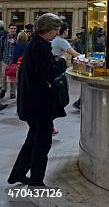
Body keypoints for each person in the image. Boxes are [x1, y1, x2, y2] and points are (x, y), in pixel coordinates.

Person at [9, 13, 66, 186]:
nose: (57, 33)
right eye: (55, 29)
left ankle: (17, 174)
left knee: (32, 141)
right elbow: (46, 73)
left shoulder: (34, 44)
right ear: (47, 29)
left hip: (31, 102)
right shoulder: (41, 47)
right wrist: (61, 63)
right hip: (39, 104)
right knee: (42, 143)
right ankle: (36, 181)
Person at [51, 24, 80, 119]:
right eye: (67, 30)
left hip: (53, 69)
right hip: (59, 70)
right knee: (62, 95)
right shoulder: (62, 41)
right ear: (63, 31)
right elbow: (75, 54)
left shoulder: (55, 40)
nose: (68, 31)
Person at [0, 23, 18, 99]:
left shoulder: (18, 37)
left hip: (14, 61)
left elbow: (20, 47)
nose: (13, 30)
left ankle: (12, 92)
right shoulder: (3, 37)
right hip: (5, 59)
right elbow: (1, 48)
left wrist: (15, 43)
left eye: (14, 28)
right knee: (4, 76)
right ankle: (3, 90)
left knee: (13, 76)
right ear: (8, 29)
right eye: (12, 28)